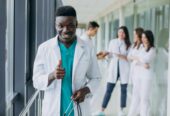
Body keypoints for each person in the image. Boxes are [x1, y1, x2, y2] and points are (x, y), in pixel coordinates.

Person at [32, 6, 101, 116]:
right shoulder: (44, 48)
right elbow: (36, 81)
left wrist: (85, 90)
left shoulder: (87, 48)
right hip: (53, 109)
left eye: (70, 25)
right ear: (55, 25)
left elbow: (96, 78)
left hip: (79, 109)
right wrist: (52, 76)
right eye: (60, 26)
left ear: (76, 24)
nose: (65, 30)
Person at [97, 26, 131, 116]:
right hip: (114, 69)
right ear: (117, 33)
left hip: (124, 69)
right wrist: (106, 54)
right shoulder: (113, 42)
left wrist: (119, 55)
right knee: (109, 90)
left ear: (125, 34)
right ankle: (102, 110)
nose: (121, 34)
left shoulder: (128, 44)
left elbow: (129, 58)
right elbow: (110, 55)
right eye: (120, 32)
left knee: (123, 90)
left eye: (123, 32)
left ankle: (121, 110)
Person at [127, 30, 156, 116]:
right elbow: (133, 59)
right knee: (135, 97)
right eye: (142, 37)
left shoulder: (153, 50)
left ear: (149, 38)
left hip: (147, 77)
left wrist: (138, 59)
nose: (143, 39)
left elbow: (146, 59)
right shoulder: (142, 48)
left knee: (144, 99)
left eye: (145, 37)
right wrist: (142, 62)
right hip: (138, 76)